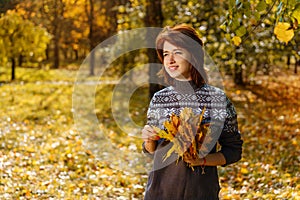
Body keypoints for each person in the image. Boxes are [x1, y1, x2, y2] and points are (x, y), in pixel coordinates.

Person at [141, 24, 243, 200]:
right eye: (166, 54)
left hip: (200, 192)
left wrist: (202, 160)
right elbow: (151, 151)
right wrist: (148, 140)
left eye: (178, 52)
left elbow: (233, 151)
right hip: (160, 192)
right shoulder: (159, 99)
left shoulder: (218, 100)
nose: (170, 59)